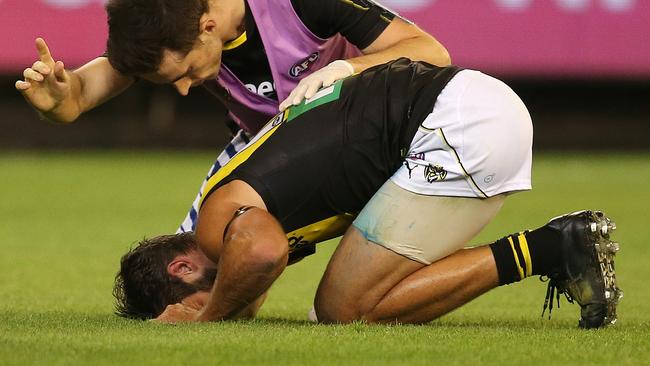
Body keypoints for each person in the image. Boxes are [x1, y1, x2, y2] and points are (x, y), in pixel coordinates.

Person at [113, 59, 622, 328]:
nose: (232, 307)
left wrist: (205, 317)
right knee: (342, 303)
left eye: (202, 294)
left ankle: (556, 247)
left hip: (453, 129)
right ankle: (551, 248)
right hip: (468, 108)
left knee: (343, 309)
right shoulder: (237, 204)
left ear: (183, 268)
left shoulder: (213, 226)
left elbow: (261, 253)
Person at [14, 0, 451, 233]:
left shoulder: (300, 4)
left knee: (355, 300)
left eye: (186, 73)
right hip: (266, 141)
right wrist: (61, 97)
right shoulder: (164, 30)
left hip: (369, 135)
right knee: (184, 276)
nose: (185, 89)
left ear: (207, 26)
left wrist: (346, 69)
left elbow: (431, 52)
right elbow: (80, 96)